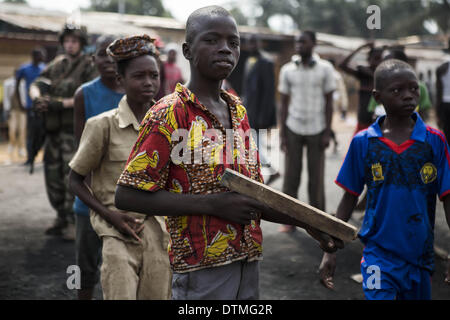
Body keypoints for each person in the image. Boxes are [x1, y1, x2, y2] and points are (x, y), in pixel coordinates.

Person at [114, 6, 342, 300]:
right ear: (187, 49)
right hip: (200, 269)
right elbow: (127, 195)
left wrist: (307, 222)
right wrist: (213, 205)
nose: (225, 49)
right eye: (211, 40)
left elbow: (256, 195)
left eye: (233, 42)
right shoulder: (169, 114)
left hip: (248, 260)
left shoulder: (238, 111)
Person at [319, 59, 450, 299]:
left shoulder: (434, 141)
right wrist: (331, 250)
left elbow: (448, 198)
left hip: (419, 256)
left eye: (413, 88)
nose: (409, 96)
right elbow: (349, 196)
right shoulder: (364, 142)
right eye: (397, 90)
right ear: (377, 97)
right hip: (378, 255)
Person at [69, 35, 171, 300]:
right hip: (115, 232)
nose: (149, 83)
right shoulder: (102, 125)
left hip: (158, 234)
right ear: (121, 79)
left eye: (154, 75)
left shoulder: (167, 127)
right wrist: (109, 215)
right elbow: (75, 180)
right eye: (139, 76)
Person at [30, 24, 97, 240]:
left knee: (71, 176)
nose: (70, 45)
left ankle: (71, 221)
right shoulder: (57, 64)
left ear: (82, 43)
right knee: (52, 175)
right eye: (67, 41)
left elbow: (87, 95)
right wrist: (37, 98)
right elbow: (38, 83)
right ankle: (60, 215)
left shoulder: (88, 65)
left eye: (74, 41)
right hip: (53, 130)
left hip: (73, 130)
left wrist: (61, 103)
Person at [71, 35, 125, 300]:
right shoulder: (84, 94)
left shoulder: (137, 92)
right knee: (83, 267)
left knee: (123, 268)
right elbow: (81, 151)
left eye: (113, 54)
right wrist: (93, 198)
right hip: (90, 197)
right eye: (102, 54)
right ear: (93, 60)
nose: (108, 60)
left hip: (128, 198)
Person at [278, 31, 336, 233]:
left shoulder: (325, 69)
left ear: (314, 44)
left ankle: (317, 222)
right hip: (293, 126)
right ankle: (288, 220)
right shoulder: (287, 70)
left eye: (303, 42)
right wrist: (282, 133)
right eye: (296, 42)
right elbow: (283, 104)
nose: (298, 45)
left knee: (316, 178)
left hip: (317, 128)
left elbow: (329, 102)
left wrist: (328, 131)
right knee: (291, 177)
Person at [242, 34, 279, 183]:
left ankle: (270, 171)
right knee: (253, 142)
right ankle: (262, 173)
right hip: (249, 109)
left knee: (254, 143)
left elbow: (269, 92)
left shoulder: (266, 62)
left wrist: (265, 116)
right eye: (249, 43)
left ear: (259, 44)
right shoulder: (248, 61)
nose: (251, 46)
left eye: (254, 42)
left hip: (259, 113)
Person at [367, 49, 432, 121]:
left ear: (402, 62)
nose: (408, 96)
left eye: (389, 61)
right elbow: (374, 113)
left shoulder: (420, 87)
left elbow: (424, 113)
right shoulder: (382, 87)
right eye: (396, 91)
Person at [339, 42, 384, 133]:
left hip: (380, 122)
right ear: (369, 59)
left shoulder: (385, 76)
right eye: (376, 58)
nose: (378, 62)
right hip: (363, 120)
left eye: (380, 59)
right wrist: (359, 48)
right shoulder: (363, 74)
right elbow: (342, 65)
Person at [15, 48, 46, 167]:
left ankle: (44, 157)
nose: (43, 57)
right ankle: (30, 158)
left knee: (44, 131)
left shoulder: (45, 68)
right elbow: (17, 86)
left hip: (44, 106)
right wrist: (20, 103)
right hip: (31, 106)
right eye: (40, 55)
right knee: (32, 133)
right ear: (34, 56)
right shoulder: (24, 69)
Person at [3, 72, 27, 162]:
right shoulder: (8, 83)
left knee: (22, 129)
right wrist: (6, 110)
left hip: (22, 110)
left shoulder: (23, 84)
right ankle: (12, 144)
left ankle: (21, 148)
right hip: (12, 110)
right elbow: (6, 97)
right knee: (12, 129)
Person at [436, 45, 450, 143]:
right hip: (445, 103)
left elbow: (439, 91)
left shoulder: (442, 66)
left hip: (445, 103)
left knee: (447, 132)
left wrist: (438, 113)